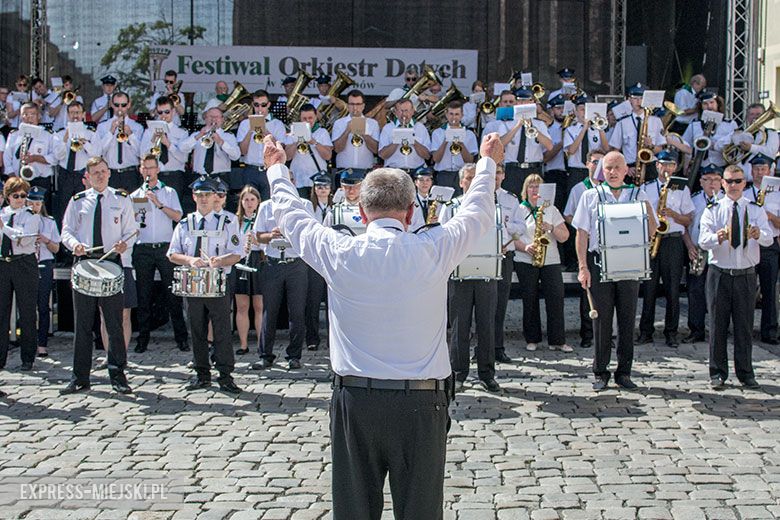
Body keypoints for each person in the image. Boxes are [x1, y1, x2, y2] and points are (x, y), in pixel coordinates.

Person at [261, 128, 501, 519]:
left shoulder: (340, 251)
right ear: (410, 212)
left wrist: (276, 169)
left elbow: (292, 218)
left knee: (354, 511)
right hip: (423, 403)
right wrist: (487, 162)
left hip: (356, 400)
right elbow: (477, 212)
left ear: (360, 213)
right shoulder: (433, 248)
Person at [573, 151, 656, 391]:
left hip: (629, 263)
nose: (612, 171)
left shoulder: (638, 194)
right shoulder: (590, 196)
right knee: (602, 319)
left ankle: (624, 371)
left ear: (626, 169)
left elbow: (651, 230)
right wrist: (582, 267)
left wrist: (648, 208)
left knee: (628, 319)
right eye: (607, 167)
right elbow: (582, 234)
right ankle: (600, 372)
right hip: (600, 264)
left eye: (617, 167)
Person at [60, 156, 138, 395]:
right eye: (95, 172)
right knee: (83, 324)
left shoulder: (122, 199)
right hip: (85, 264)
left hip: (111, 263)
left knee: (114, 323)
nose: (100, 175)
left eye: (103, 171)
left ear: (109, 173)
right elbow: (66, 231)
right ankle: (80, 377)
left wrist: (125, 244)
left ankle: (118, 375)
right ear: (88, 176)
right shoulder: (78, 201)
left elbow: (131, 231)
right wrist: (74, 245)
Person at [698, 164, 772, 389]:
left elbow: (769, 238)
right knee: (718, 325)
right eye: (729, 181)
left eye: (737, 181)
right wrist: (717, 237)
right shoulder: (713, 208)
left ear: (744, 183)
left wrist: (759, 234)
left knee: (744, 326)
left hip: (746, 275)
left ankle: (746, 372)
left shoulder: (755, 208)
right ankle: (718, 373)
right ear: (722, 183)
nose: (733, 186)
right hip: (720, 273)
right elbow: (703, 239)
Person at [167, 176, 243, 394]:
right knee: (197, 329)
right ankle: (202, 374)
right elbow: (172, 253)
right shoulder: (185, 222)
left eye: (207, 195)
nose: (203, 199)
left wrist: (219, 261)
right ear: (193, 197)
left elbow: (237, 253)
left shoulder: (228, 221)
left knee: (222, 330)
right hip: (193, 282)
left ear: (215, 197)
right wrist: (190, 260)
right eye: (199, 195)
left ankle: (226, 374)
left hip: (218, 281)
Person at [439, 163, 501, 393]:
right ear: (461, 182)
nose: (472, 181)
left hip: (487, 271)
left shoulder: (493, 207)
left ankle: (487, 373)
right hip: (459, 274)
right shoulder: (451, 207)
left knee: (487, 325)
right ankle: (458, 373)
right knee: (459, 326)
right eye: (468, 177)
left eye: (476, 177)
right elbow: (443, 235)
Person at [251, 168, 313, 371]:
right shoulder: (266, 207)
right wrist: (272, 235)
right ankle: (265, 355)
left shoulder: (304, 205)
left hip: (296, 263)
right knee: (270, 310)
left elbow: (311, 232)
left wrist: (292, 232)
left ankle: (294, 355)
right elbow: (258, 236)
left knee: (297, 311)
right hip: (273, 262)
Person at [637, 149, 695, 347]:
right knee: (649, 289)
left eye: (671, 165)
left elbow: (688, 219)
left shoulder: (682, 189)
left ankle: (671, 332)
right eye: (664, 164)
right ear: (657, 166)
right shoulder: (646, 188)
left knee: (672, 290)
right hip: (653, 240)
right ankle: (646, 331)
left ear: (675, 167)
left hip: (673, 241)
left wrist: (673, 214)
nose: (667, 168)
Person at [130, 154, 187, 353]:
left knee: (173, 294)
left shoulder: (168, 191)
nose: (148, 171)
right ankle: (142, 339)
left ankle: (181, 338)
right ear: (140, 170)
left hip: (165, 247)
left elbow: (178, 216)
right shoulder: (136, 194)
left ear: (157, 169)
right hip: (143, 248)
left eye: (151, 168)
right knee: (143, 295)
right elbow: (134, 224)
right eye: (144, 168)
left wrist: (159, 204)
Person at [513, 174, 571, 353]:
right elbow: (511, 236)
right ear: (525, 190)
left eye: (538, 187)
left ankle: (557, 340)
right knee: (529, 300)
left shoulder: (551, 209)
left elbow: (565, 237)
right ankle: (532, 339)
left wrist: (551, 228)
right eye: (531, 186)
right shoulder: (519, 209)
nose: (535, 190)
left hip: (550, 260)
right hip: (525, 259)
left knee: (555, 298)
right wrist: (525, 247)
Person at [564, 150, 604, 348]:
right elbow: (568, 215)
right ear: (587, 164)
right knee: (587, 289)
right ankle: (587, 334)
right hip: (586, 244)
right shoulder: (579, 189)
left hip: (606, 245)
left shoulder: (608, 188)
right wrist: (583, 228)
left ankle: (606, 334)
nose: (598, 165)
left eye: (602, 162)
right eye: (595, 161)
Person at [0, 177, 40, 372]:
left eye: (23, 196)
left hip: (24, 262)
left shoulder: (31, 214)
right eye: (16, 196)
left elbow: (23, 239)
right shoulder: (3, 213)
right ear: (8, 197)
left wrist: (3, 228)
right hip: (3, 263)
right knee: (2, 313)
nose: (20, 199)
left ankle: (28, 357)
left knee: (27, 311)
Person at [484, 88, 553, 198]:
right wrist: (518, 125)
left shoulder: (540, 124)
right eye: (520, 101)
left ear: (532, 103)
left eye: (527, 101)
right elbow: (500, 144)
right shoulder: (507, 124)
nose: (523, 104)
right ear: (516, 103)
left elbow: (549, 146)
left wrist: (532, 127)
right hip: (513, 170)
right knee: (511, 201)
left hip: (533, 169)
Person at [742, 154, 780, 344]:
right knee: (746, 289)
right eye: (756, 169)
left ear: (770, 171)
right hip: (749, 245)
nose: (760, 172)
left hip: (770, 244)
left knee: (770, 289)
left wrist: (771, 216)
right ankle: (744, 329)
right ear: (751, 171)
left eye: (763, 169)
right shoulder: (745, 194)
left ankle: (770, 331)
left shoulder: (778, 195)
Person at [494, 164, 525, 363]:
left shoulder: (510, 199)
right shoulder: (477, 196)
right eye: (492, 173)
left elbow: (520, 227)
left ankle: (498, 347)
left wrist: (504, 228)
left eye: (499, 173)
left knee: (499, 303)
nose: (495, 177)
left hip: (505, 254)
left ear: (504, 175)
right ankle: (480, 347)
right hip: (484, 255)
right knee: (481, 305)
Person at [52, 101, 100, 224]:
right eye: (72, 113)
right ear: (67, 115)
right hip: (65, 174)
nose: (75, 116)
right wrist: (65, 139)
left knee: (84, 207)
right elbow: (57, 156)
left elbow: (96, 155)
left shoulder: (91, 133)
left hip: (82, 174)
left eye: (77, 113)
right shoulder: (60, 133)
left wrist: (85, 142)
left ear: (83, 114)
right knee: (64, 208)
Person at [236, 89, 287, 201]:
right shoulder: (245, 124)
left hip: (269, 169)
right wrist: (250, 130)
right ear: (253, 105)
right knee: (249, 205)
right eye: (256, 105)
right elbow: (243, 151)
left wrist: (266, 131)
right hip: (251, 170)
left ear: (268, 104)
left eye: (263, 105)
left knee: (269, 204)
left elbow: (281, 149)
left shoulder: (277, 124)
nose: (260, 108)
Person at [608, 83, 665, 183]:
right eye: (635, 98)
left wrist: (650, 146)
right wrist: (625, 167)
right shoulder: (622, 122)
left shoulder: (656, 121)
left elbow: (660, 148)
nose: (638, 101)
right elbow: (615, 150)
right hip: (631, 167)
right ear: (629, 100)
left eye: (641, 98)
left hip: (650, 165)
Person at [3, 102, 56, 207]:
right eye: (25, 114)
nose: (29, 118)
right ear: (21, 116)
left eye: (32, 114)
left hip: (40, 181)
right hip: (18, 179)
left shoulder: (48, 135)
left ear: (39, 116)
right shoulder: (14, 134)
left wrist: (35, 158)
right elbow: (7, 158)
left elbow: (55, 158)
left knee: (40, 212)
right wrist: (13, 178)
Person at [179, 103, 240, 190]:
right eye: (211, 117)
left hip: (221, 177)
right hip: (200, 177)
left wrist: (221, 142)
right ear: (205, 119)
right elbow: (182, 148)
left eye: (217, 117)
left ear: (222, 119)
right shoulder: (197, 134)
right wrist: (199, 136)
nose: (214, 119)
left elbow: (236, 156)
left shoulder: (228, 136)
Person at [29, 186, 59, 358]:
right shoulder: (23, 219)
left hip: (44, 262)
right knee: (28, 306)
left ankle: (42, 343)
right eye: (32, 203)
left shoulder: (49, 222)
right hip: (27, 263)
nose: (35, 206)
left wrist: (46, 240)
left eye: (38, 203)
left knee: (43, 306)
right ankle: (29, 340)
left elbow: (56, 248)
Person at [139, 95, 190, 199]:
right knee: (150, 208)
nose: (163, 115)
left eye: (167, 112)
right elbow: (141, 155)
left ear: (173, 111)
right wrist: (153, 141)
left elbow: (184, 158)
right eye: (160, 112)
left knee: (173, 210)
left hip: (174, 176)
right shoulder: (149, 131)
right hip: (154, 175)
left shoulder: (181, 132)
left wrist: (168, 144)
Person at [234, 186, 264, 355]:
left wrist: (257, 242)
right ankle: (243, 344)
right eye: (246, 200)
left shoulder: (262, 219)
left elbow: (268, 244)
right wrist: (242, 247)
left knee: (259, 305)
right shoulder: (235, 220)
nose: (249, 203)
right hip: (241, 261)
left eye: (253, 199)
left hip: (258, 260)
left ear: (258, 201)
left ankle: (261, 343)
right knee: (242, 305)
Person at [96, 91, 144, 192]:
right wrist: (111, 131)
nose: (120, 108)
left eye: (123, 105)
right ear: (112, 105)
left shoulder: (137, 127)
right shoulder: (103, 126)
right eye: (117, 105)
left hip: (131, 174)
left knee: (135, 205)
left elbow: (141, 153)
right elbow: (98, 152)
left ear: (129, 105)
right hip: (111, 174)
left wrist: (131, 135)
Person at [284, 103, 333, 200]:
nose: (307, 121)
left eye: (310, 118)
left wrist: (313, 142)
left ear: (315, 117)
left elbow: (328, 156)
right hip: (298, 180)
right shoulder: (292, 133)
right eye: (304, 118)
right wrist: (298, 140)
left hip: (317, 179)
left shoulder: (322, 132)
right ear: (300, 119)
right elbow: (287, 157)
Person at [305, 174, 332, 351]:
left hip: (330, 258)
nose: (322, 189)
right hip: (315, 259)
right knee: (312, 302)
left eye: (325, 186)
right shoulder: (308, 207)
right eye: (319, 186)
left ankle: (332, 339)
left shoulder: (335, 208)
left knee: (332, 302)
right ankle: (312, 338)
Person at [331, 89, 380, 184]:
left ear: (363, 106)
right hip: (344, 170)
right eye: (352, 104)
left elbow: (376, 150)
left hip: (365, 171)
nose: (355, 108)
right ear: (348, 106)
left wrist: (365, 134)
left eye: (358, 104)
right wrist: (347, 131)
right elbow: (337, 149)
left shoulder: (372, 124)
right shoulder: (339, 123)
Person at [430, 100, 478, 192]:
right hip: (443, 174)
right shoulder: (438, 133)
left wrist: (461, 142)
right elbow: (436, 159)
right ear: (446, 114)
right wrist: (446, 140)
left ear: (462, 115)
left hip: (462, 174)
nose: (454, 117)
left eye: (457, 114)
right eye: (451, 114)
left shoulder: (469, 134)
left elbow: (469, 160)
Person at [378, 97, 431, 172]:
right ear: (395, 112)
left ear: (413, 111)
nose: (404, 114)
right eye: (401, 111)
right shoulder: (388, 128)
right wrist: (396, 141)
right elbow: (382, 156)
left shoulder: (420, 128)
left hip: (416, 171)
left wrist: (413, 141)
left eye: (407, 110)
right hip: (394, 171)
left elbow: (427, 156)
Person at [543, 94, 569, 212]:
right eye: (558, 108)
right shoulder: (549, 131)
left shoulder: (574, 128)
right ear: (552, 111)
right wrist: (562, 143)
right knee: (556, 209)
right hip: (555, 174)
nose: (562, 111)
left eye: (564, 108)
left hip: (572, 173)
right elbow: (545, 158)